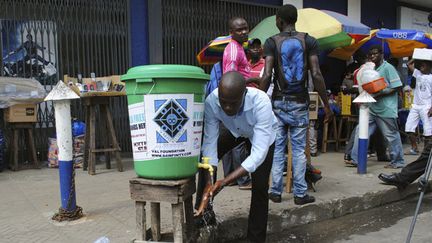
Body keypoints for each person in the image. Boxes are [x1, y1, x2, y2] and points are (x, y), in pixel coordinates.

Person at [260, 4, 334, 204]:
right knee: (299, 150)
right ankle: (300, 194)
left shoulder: (271, 42)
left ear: (279, 21)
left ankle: (275, 192)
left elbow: (267, 74)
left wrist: (258, 100)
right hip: (300, 102)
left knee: (277, 148)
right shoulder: (309, 41)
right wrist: (326, 105)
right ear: (295, 20)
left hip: (278, 102)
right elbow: (317, 74)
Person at [195, 71, 277, 242]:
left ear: (244, 94)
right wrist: (211, 181)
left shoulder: (261, 101)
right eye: (224, 103)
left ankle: (255, 238)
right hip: (234, 130)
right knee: (205, 163)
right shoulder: (212, 101)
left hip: (260, 135)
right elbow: (209, 144)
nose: (228, 109)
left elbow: (258, 154)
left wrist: (224, 181)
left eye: (233, 104)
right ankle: (203, 214)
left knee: (260, 186)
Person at [349, 45, 405, 169]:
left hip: (386, 108)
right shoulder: (372, 69)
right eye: (371, 54)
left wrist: (380, 93)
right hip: (372, 107)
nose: (373, 56)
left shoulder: (388, 67)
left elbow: (397, 86)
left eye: (375, 54)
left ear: (381, 55)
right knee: (361, 131)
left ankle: (398, 161)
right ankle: (356, 159)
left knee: (391, 135)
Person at [404, 59, 432, 155]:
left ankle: (426, 151)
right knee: (408, 128)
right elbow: (409, 64)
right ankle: (414, 147)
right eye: (421, 65)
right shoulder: (418, 73)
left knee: (428, 131)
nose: (421, 66)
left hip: (427, 106)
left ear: (429, 66)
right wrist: (417, 57)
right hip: (415, 105)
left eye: (424, 65)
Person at [222, 17, 259, 88]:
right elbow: (231, 81)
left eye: (246, 28)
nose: (244, 32)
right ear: (231, 33)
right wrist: (253, 79)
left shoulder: (239, 46)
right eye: (239, 30)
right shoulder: (234, 51)